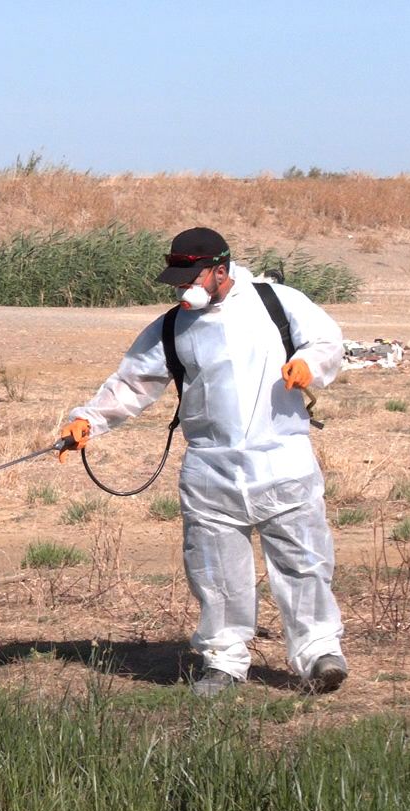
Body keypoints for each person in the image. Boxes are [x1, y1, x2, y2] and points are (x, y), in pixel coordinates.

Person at [56, 227, 348, 696]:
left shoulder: (276, 302)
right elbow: (132, 384)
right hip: (210, 469)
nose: (182, 288)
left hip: (283, 462)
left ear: (220, 270)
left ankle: (319, 653)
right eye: (177, 279)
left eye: (192, 277)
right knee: (215, 571)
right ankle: (223, 661)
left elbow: (328, 340)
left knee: (303, 562)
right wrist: (87, 420)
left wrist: (310, 364)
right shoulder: (172, 326)